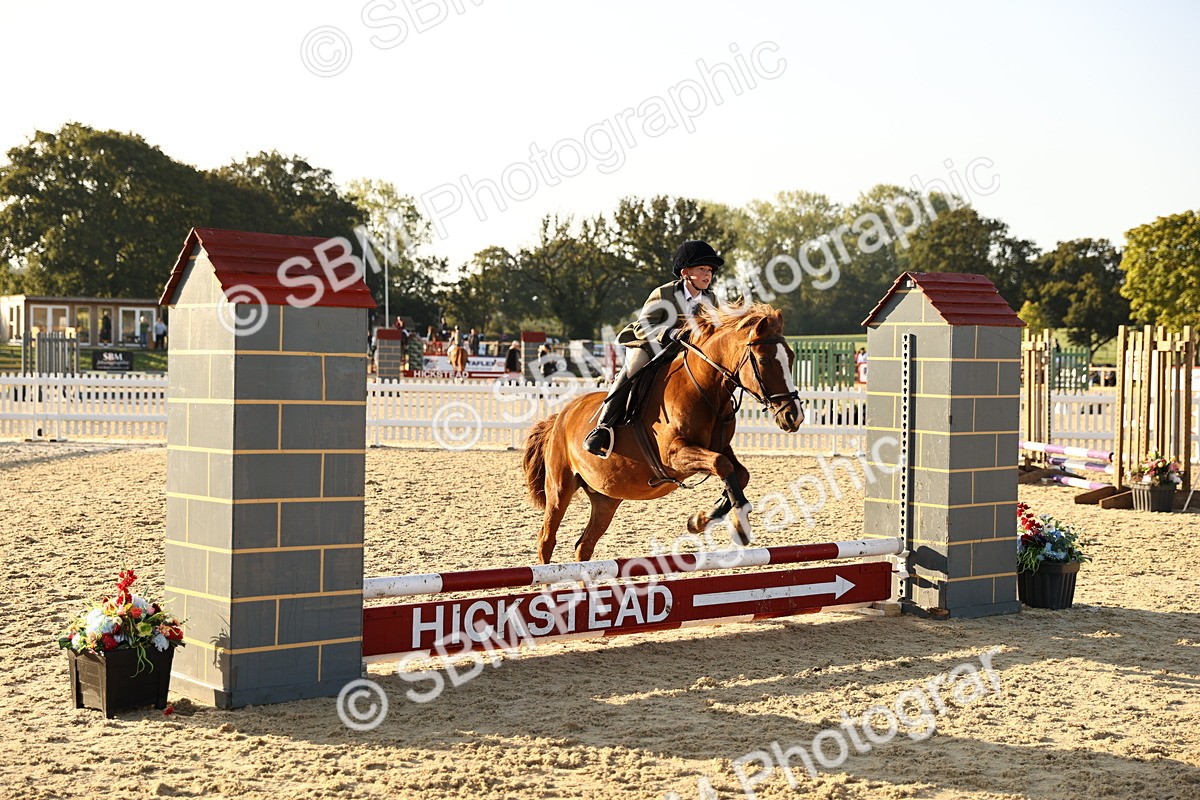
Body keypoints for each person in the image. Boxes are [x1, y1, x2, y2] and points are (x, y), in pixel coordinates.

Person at [582, 240, 724, 458]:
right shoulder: (664, 294)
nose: (708, 274)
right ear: (685, 272)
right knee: (634, 369)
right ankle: (603, 427)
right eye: (702, 269)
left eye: (710, 270)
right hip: (648, 344)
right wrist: (669, 333)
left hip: (681, 351)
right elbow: (643, 326)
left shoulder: (710, 298)